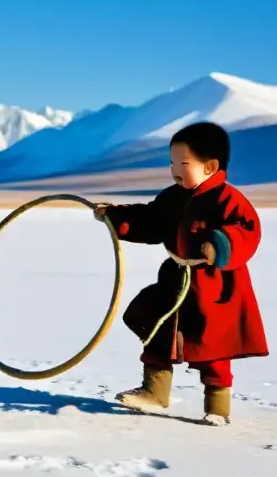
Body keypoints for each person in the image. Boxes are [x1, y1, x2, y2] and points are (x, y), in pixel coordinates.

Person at [94, 121, 267, 426]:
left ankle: (217, 405)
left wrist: (219, 245)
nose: (174, 169)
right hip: (175, 279)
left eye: (183, 163)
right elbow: (150, 219)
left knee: (214, 344)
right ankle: (154, 392)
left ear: (210, 166)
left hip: (216, 286)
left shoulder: (229, 200)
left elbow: (247, 231)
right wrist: (116, 216)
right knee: (159, 328)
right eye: (171, 162)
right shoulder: (172, 197)